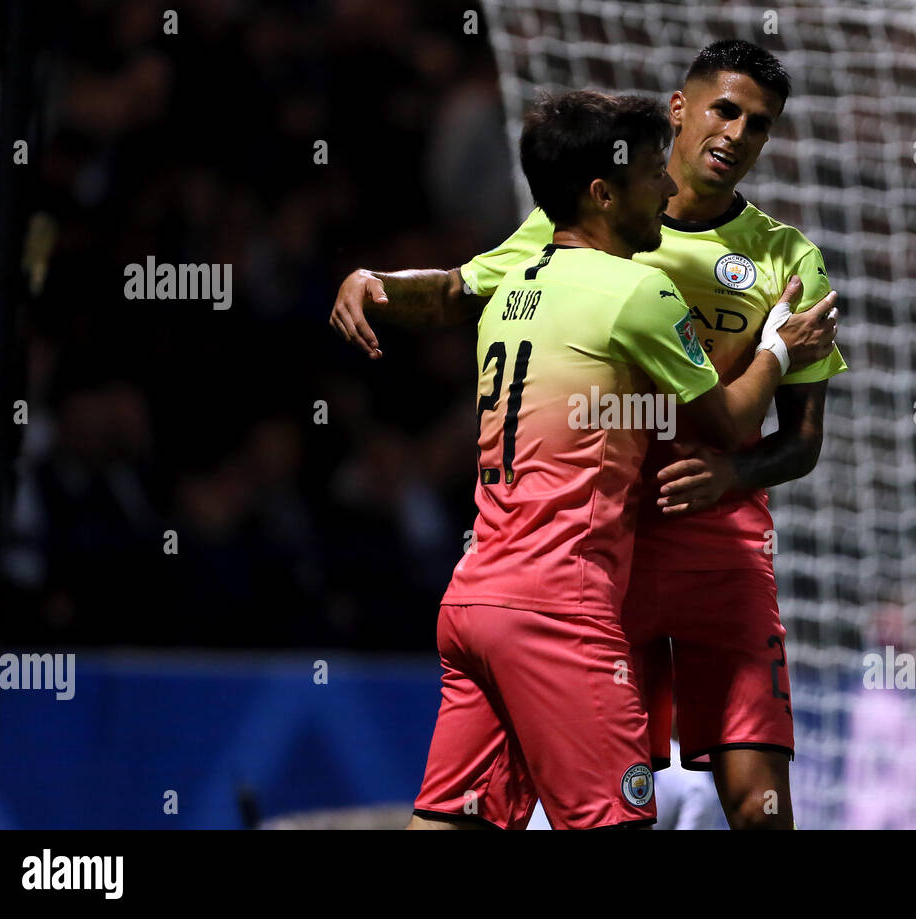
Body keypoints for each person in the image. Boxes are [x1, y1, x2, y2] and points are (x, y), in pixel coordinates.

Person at [333, 40, 846, 829]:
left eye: (760, 125)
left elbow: (801, 440)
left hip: (710, 546)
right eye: (726, 109)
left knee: (757, 798)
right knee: (607, 796)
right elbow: (453, 289)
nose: (739, 134)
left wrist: (733, 478)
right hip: (604, 552)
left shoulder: (787, 259)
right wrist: (376, 284)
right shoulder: (591, 230)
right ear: (681, 109)